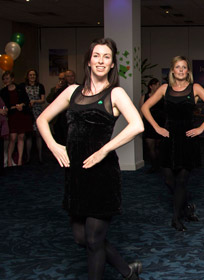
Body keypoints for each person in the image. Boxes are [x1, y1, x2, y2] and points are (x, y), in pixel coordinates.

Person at [36, 38, 144, 280]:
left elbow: (137, 125)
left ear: (113, 64)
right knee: (81, 237)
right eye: (97, 55)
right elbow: (42, 119)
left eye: (106, 57)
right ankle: (128, 271)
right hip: (75, 175)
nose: (101, 61)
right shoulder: (71, 92)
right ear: (88, 60)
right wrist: (54, 145)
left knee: (95, 240)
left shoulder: (115, 93)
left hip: (102, 175)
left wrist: (105, 150)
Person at [141, 56, 204, 232]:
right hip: (169, 138)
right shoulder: (164, 89)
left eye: (184, 67)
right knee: (170, 180)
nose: (181, 70)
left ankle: (176, 218)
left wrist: (201, 128)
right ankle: (186, 208)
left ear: (188, 71)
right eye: (178, 67)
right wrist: (157, 127)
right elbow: (145, 107)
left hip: (187, 138)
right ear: (172, 70)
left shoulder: (196, 88)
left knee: (182, 181)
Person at [0, 71, 33, 166]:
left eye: (7, 78)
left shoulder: (20, 88)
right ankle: (9, 160)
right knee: (12, 137)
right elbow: (4, 106)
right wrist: (12, 108)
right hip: (12, 115)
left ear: (12, 79)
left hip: (21, 114)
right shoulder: (3, 92)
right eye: (4, 79)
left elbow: (26, 101)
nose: (6, 80)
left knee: (21, 136)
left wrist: (21, 105)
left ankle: (19, 160)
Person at [139, 78, 163, 173]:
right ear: (151, 86)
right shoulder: (144, 97)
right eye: (156, 84)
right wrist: (140, 124)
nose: (158, 86)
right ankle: (154, 166)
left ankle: (160, 164)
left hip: (161, 124)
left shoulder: (162, 96)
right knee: (150, 146)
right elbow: (141, 111)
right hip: (148, 124)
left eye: (158, 84)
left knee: (159, 146)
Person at [23, 69, 46, 163]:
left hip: (37, 111)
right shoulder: (23, 86)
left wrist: (35, 101)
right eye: (30, 75)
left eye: (34, 75)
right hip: (28, 112)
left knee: (38, 134)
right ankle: (28, 157)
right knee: (28, 135)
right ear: (27, 76)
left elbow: (43, 100)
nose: (32, 77)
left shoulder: (40, 86)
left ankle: (40, 157)